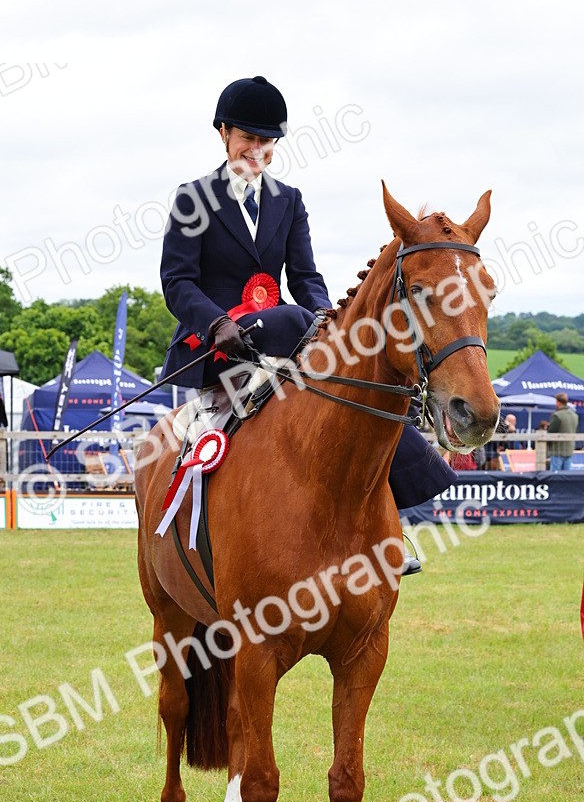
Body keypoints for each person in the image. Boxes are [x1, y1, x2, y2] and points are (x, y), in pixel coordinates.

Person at [159, 76, 457, 540]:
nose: (257, 150)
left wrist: (327, 318)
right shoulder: (192, 199)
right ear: (223, 134)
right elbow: (177, 282)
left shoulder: (288, 201)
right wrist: (217, 322)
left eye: (266, 141)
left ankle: (390, 526)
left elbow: (304, 278)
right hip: (218, 342)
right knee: (296, 321)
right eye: (247, 139)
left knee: (355, 391)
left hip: (282, 336)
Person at [547, 391, 579, 471]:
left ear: (558, 402)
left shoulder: (557, 415)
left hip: (557, 450)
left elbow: (551, 432)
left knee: (555, 477)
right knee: (566, 477)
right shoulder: (575, 416)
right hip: (569, 449)